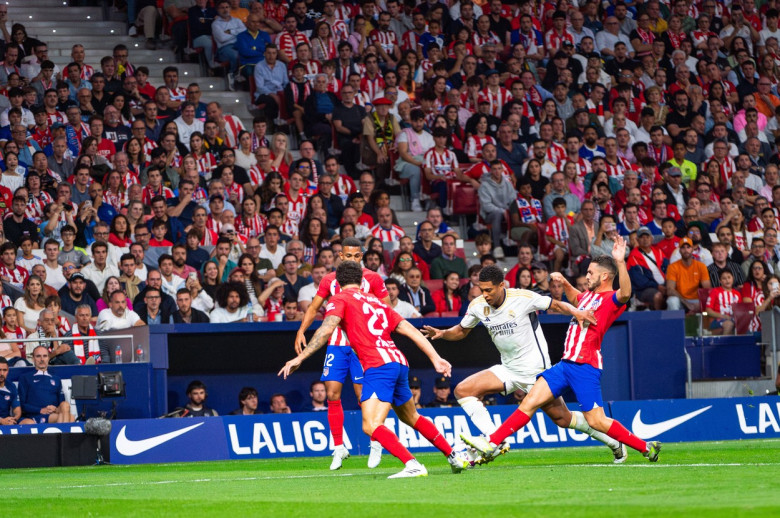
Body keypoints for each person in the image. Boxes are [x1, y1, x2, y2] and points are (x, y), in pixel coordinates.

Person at [461, 237, 662, 464]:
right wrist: (564, 281)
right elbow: (575, 298)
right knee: (528, 403)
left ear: (604, 276)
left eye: (590, 273)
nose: (586, 276)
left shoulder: (610, 300)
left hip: (585, 366)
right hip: (564, 365)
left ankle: (645, 446)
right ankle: (493, 442)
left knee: (597, 421)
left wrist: (620, 261)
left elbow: (625, 293)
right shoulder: (588, 297)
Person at [279, 261, 470, 479]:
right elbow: (410, 329)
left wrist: (301, 357)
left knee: (370, 425)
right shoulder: (378, 302)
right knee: (412, 417)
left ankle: (412, 464)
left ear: (338, 283)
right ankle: (453, 455)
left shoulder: (339, 298)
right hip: (398, 361)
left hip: (378, 366)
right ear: (361, 281)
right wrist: (435, 357)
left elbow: (326, 328)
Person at [424, 264, 625, 464]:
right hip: (507, 369)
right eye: (481, 289)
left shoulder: (522, 297)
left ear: (501, 285)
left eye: (488, 290)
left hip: (535, 372)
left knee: (563, 419)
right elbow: (462, 330)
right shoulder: (477, 306)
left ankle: (614, 442)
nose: (484, 294)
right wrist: (443, 334)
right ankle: (495, 441)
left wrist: (578, 312)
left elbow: (556, 305)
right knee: (463, 390)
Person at [293, 237, 389, 470]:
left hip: (361, 346)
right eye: (348, 256)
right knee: (332, 394)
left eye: (357, 256)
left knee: (362, 397)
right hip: (336, 343)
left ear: (362, 255)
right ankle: (339, 447)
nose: (353, 260)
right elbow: (314, 307)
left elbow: (387, 308)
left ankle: (375, 442)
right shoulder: (329, 279)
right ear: (341, 256)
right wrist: (301, 331)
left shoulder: (373, 278)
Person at [18, 345, 74, 424]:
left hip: (52, 414)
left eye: (45, 356)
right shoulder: (25, 378)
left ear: (48, 358)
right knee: (69, 418)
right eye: (38, 356)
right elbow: (22, 404)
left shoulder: (56, 379)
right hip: (35, 415)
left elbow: (61, 403)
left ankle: (62, 434)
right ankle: (63, 435)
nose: (42, 359)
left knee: (66, 407)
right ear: (33, 359)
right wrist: (41, 410)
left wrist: (55, 409)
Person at [666, 237, 713, 312]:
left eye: (688, 247)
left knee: (708, 302)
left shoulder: (701, 266)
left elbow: (707, 289)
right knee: (672, 301)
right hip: (681, 300)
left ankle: (703, 323)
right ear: (679, 251)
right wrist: (686, 302)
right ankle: (675, 323)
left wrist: (701, 303)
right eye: (683, 248)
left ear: (692, 249)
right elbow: (670, 290)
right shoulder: (672, 267)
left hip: (696, 300)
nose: (686, 250)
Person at [0, 357, 21, 425]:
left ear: (8, 371)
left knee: (28, 423)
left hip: (7, 421)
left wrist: (13, 419)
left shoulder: (11, 386)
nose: (2, 373)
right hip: (2, 421)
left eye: (4, 370)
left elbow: (17, 409)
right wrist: (1, 421)